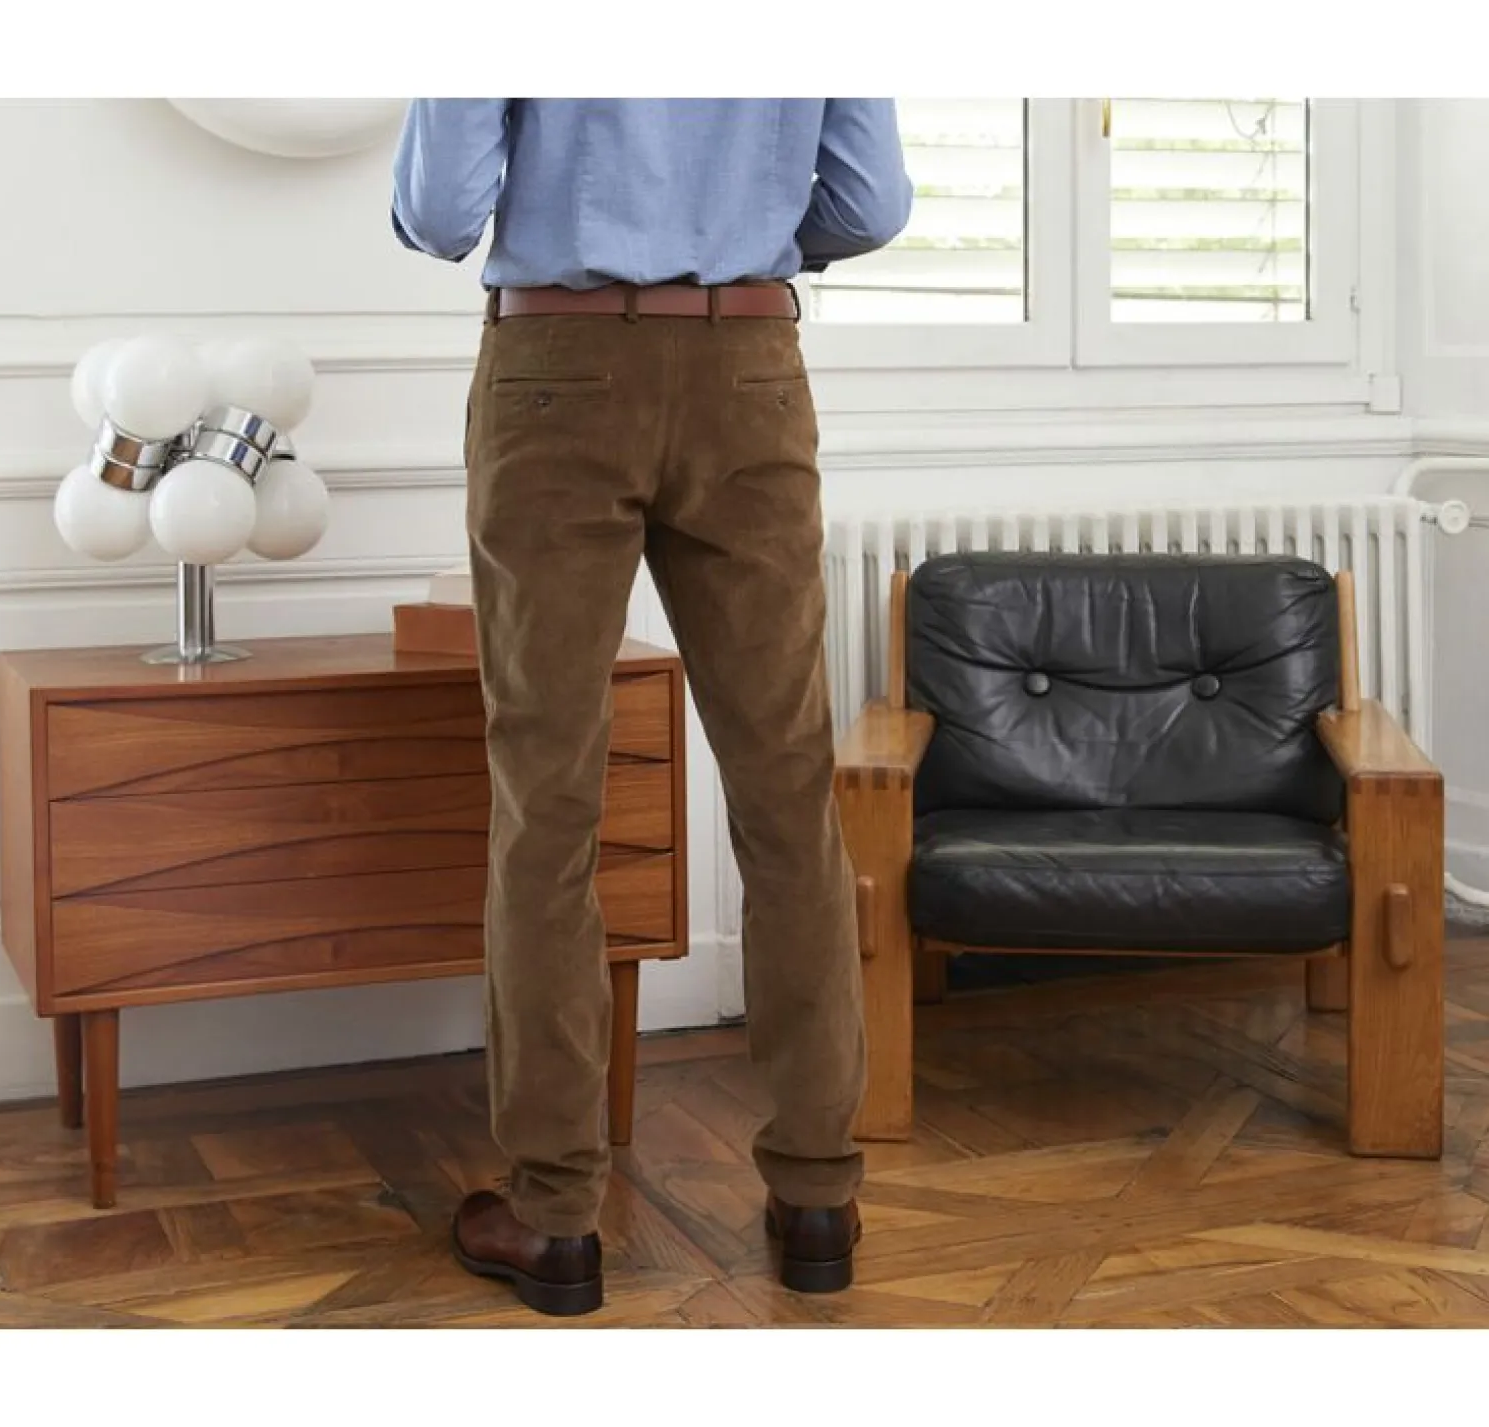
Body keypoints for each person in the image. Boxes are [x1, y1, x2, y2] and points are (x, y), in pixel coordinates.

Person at [391, 99, 912, 1318]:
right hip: (750, 363)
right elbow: (873, 203)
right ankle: (817, 1193)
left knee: (549, 804)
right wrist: (732, 227)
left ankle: (555, 1214)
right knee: (788, 795)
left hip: (558, 372)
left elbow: (441, 212)